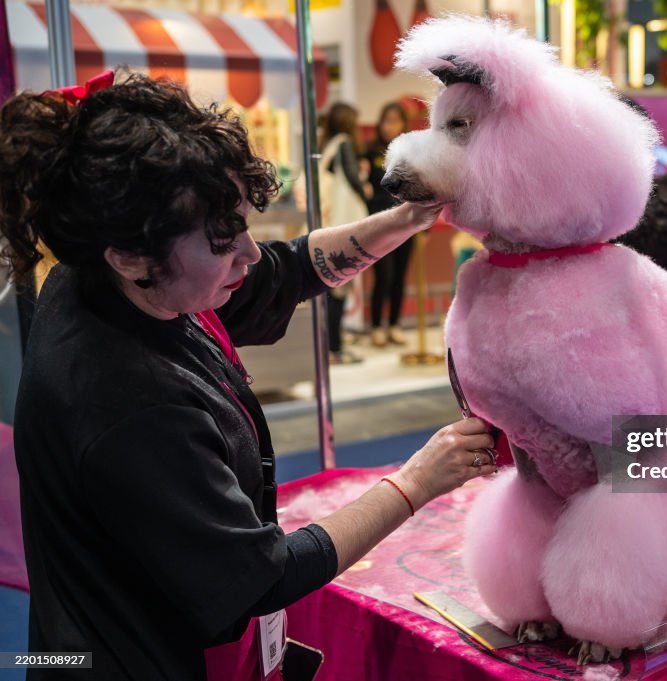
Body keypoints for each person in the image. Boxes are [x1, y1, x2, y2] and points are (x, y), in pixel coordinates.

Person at [0, 71, 496, 680]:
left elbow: (280, 272)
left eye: (242, 226)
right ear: (129, 257)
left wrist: (403, 220)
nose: (249, 254)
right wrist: (415, 482)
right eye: (221, 242)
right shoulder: (126, 399)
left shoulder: (119, 279)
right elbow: (260, 578)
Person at [320, 102, 371, 365]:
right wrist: (366, 192)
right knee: (339, 288)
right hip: (345, 226)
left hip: (329, 225)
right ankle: (335, 349)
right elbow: (352, 179)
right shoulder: (343, 144)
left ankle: (332, 346)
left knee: (331, 288)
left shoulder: (326, 146)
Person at [363, 102, 412, 347]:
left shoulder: (410, 152)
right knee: (384, 275)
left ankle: (394, 324)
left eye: (395, 120)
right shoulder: (370, 151)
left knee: (400, 277)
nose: (389, 125)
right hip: (379, 222)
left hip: (405, 221)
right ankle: (375, 326)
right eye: (386, 120)